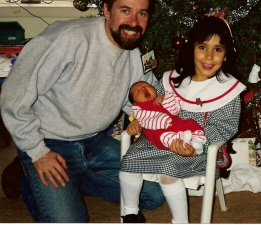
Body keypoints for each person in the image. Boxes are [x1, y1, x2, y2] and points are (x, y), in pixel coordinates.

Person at [0, 0, 165, 222]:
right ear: (106, 10)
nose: (134, 22)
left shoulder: (134, 49)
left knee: (153, 196)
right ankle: (27, 171)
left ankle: (69, 178)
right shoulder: (66, 39)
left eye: (142, 13)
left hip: (94, 141)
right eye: (125, 11)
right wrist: (37, 150)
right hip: (49, 142)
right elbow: (14, 94)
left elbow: (142, 98)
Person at [120, 15, 246, 223]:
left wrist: (195, 146)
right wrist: (137, 121)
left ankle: (180, 221)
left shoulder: (228, 89)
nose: (208, 57)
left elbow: (226, 127)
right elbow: (149, 106)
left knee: (168, 169)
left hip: (196, 146)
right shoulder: (173, 80)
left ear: (225, 55)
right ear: (192, 49)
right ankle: (130, 213)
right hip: (158, 140)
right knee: (129, 159)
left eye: (217, 49)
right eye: (203, 47)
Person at [129, 81, 207, 154]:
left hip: (176, 123)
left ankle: (197, 141)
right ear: (134, 102)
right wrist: (136, 121)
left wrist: (165, 99)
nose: (143, 88)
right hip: (158, 130)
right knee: (161, 137)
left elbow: (175, 108)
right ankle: (181, 143)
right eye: (137, 90)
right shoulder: (138, 109)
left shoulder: (162, 98)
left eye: (146, 85)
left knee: (190, 122)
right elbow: (140, 118)